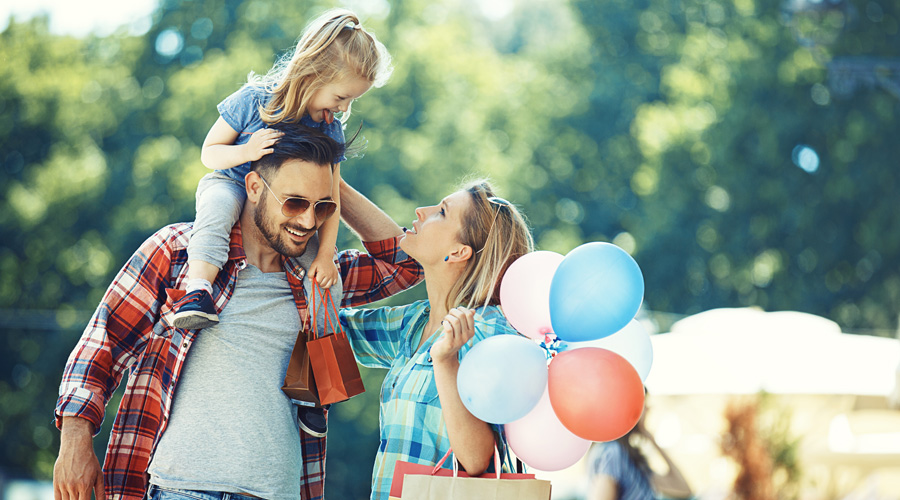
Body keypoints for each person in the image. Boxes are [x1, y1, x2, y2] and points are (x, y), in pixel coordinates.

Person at [52, 124, 423, 500]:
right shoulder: (179, 252)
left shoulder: (321, 278)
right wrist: (74, 443)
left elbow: (408, 264)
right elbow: (101, 345)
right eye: (294, 202)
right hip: (182, 491)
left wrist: (331, 179)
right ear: (254, 187)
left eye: (322, 208)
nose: (308, 222)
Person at [174, 7, 391, 329]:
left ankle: (321, 337)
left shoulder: (329, 128)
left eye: (352, 101)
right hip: (232, 182)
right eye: (341, 96)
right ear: (313, 74)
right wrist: (246, 151)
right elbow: (210, 154)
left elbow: (331, 195)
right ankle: (198, 290)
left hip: (293, 211)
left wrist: (326, 254)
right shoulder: (254, 100)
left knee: (318, 268)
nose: (344, 108)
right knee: (217, 212)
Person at [340, 180, 535, 500]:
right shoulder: (413, 323)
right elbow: (329, 325)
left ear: (459, 251)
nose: (422, 211)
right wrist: (331, 186)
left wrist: (446, 362)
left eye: (441, 212)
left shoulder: (490, 334)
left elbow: (475, 459)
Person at [587, 393, 693, 500]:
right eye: (644, 403)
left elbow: (683, 488)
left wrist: (651, 438)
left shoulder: (632, 459)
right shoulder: (612, 452)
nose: (648, 408)